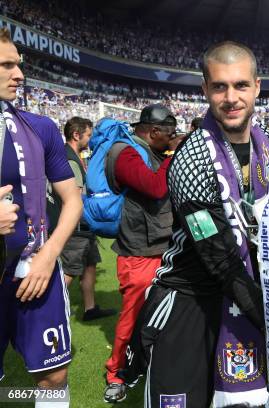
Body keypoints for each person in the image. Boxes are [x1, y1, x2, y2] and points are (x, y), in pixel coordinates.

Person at [122, 41, 269, 408]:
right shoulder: (190, 161)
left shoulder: (264, 145)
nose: (231, 97)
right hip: (189, 302)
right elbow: (220, 261)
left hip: (242, 295)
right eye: (219, 87)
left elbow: (264, 228)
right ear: (205, 90)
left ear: (257, 87)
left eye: (240, 85)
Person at [0, 29, 82, 408]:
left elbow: (71, 199)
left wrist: (49, 256)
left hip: (36, 270)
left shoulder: (41, 127)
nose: (19, 74)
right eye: (6, 65)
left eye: (19, 65)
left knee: (53, 376)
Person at [103, 104, 176, 403]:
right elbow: (155, 188)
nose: (173, 137)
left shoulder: (152, 151)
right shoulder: (125, 153)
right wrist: (177, 155)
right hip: (138, 252)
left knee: (167, 316)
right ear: (154, 131)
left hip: (164, 246)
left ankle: (147, 363)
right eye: (169, 133)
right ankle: (116, 372)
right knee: (133, 316)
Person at [55, 117, 116, 321]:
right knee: (70, 270)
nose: (90, 139)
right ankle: (51, 310)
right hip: (76, 225)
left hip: (84, 225)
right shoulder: (70, 159)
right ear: (76, 135)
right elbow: (75, 196)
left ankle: (90, 309)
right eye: (88, 135)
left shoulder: (74, 156)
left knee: (90, 266)